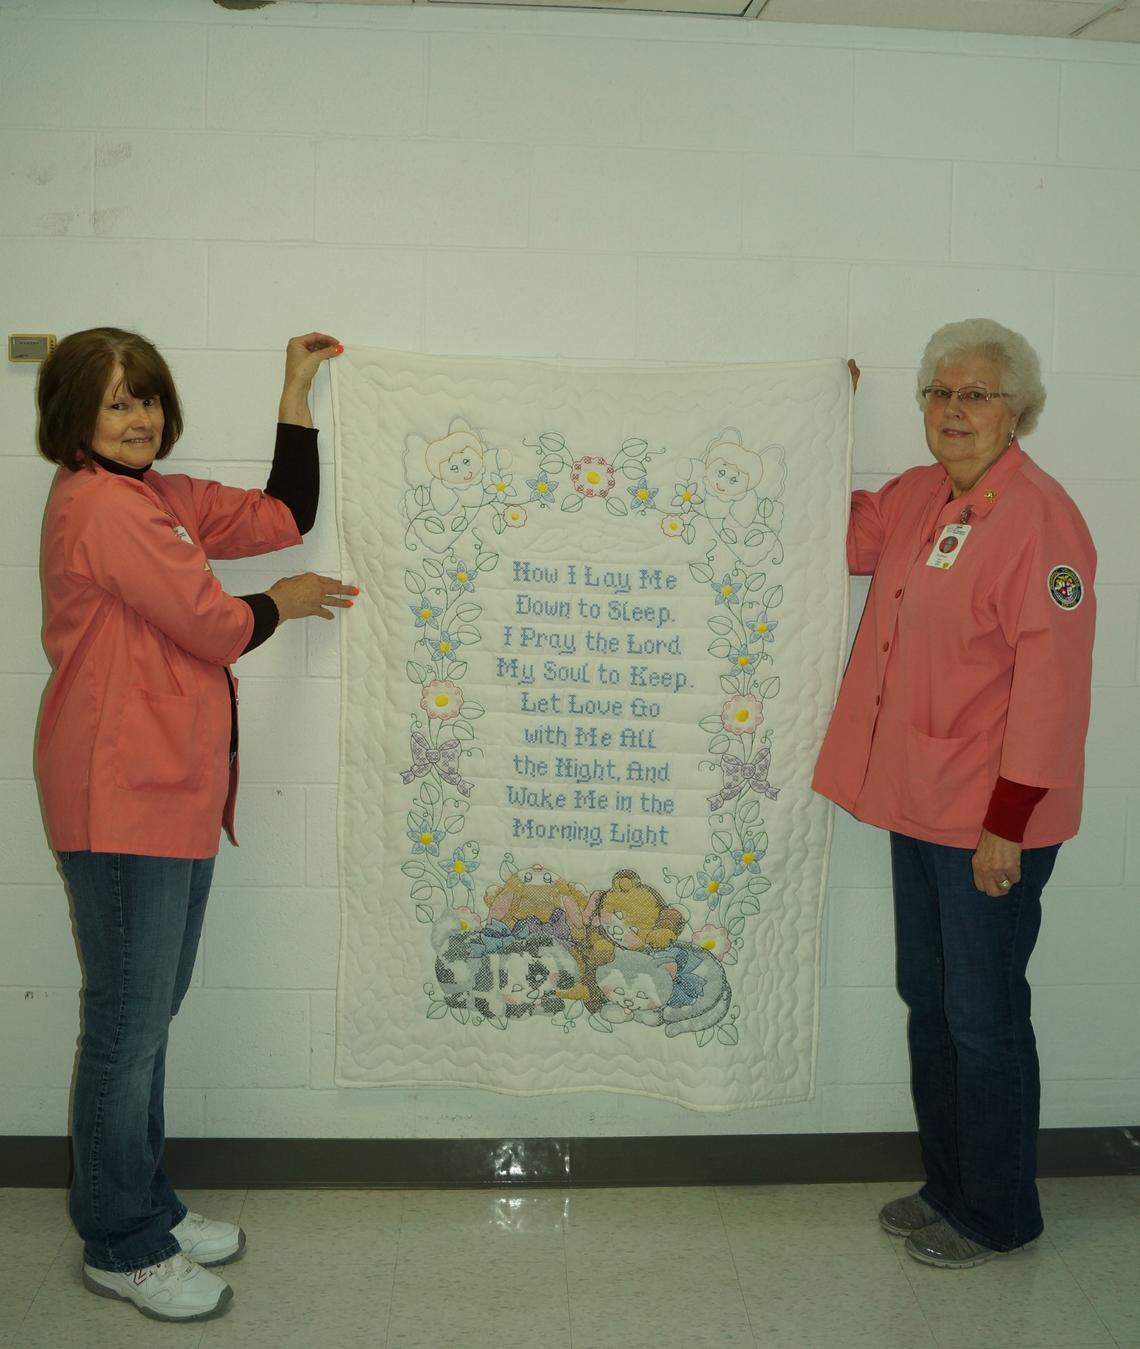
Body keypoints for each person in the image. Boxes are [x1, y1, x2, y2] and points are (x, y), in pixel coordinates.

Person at [34, 328, 357, 1322]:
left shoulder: (160, 499)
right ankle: (119, 1241)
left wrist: (296, 388)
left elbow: (283, 513)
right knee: (126, 1026)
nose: (139, 418)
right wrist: (285, 602)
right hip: (118, 796)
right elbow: (214, 624)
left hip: (168, 793)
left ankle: (149, 1207)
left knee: (147, 1013)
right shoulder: (100, 506)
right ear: (75, 415)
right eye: (117, 402)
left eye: (148, 399)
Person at [814, 319, 1096, 1268]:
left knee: (982, 1016)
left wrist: (1006, 825)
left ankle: (1000, 1212)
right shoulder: (918, 495)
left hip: (991, 820)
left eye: (976, 393)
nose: (953, 409)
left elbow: (1053, 687)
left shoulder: (1042, 519)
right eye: (939, 391)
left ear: (1018, 410)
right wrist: (818, 419)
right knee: (929, 1001)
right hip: (920, 800)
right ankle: (950, 1187)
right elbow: (834, 538)